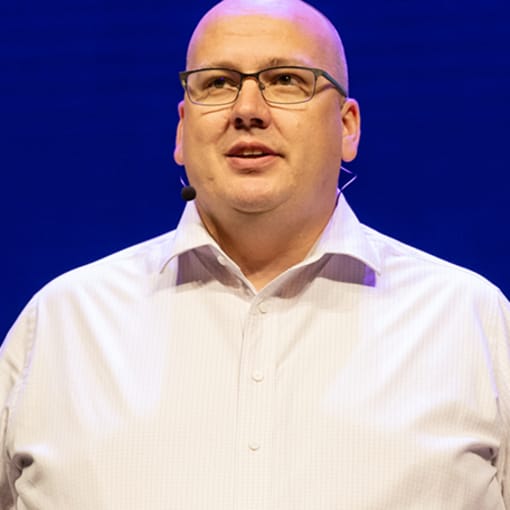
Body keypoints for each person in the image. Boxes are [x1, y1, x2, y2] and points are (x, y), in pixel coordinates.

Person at [1, 0, 509, 508]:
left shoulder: (472, 326)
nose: (247, 110)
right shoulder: (60, 328)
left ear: (347, 126)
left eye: (287, 80)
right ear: (181, 131)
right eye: (217, 83)